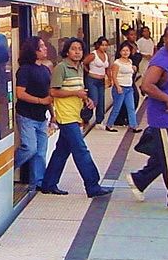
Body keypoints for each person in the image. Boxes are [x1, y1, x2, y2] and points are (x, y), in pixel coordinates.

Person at [127, 25, 168, 213]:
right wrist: (167, 99)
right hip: (164, 118)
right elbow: (146, 85)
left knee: (167, 155)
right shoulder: (160, 61)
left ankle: (139, 180)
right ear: (164, 39)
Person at [39, 37, 113, 199]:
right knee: (81, 150)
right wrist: (76, 93)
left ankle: (48, 184)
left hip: (75, 113)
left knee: (61, 151)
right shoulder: (61, 68)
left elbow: (78, 90)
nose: (77, 52)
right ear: (67, 51)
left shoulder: (79, 68)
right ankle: (93, 186)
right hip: (66, 116)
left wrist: (86, 99)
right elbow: (53, 92)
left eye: (79, 49)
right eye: (73, 49)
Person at [14, 37, 53, 194]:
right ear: (33, 50)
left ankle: (37, 183)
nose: (45, 48)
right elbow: (20, 93)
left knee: (40, 152)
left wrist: (52, 113)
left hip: (41, 117)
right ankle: (7, 169)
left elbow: (48, 94)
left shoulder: (45, 70)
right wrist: (40, 101)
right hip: (26, 115)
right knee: (30, 148)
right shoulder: (24, 70)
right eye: (41, 46)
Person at [105, 42, 142, 133]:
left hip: (129, 88)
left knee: (131, 108)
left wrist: (134, 69)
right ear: (120, 52)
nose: (125, 52)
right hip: (120, 88)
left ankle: (134, 126)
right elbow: (114, 76)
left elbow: (131, 73)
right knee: (117, 108)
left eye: (127, 51)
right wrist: (118, 87)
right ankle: (109, 125)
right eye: (123, 51)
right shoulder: (117, 63)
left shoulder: (130, 62)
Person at [83, 36, 111, 127]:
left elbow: (107, 68)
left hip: (101, 80)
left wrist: (110, 78)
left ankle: (99, 120)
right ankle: (85, 116)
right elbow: (83, 63)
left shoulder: (106, 55)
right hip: (92, 80)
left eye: (106, 45)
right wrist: (88, 71)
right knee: (94, 100)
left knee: (101, 101)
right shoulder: (93, 55)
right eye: (102, 45)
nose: (104, 47)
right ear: (98, 45)